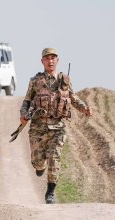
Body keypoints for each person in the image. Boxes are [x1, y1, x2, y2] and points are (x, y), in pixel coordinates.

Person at [19, 48, 92, 204]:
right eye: (47, 58)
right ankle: (40, 166)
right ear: (42, 61)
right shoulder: (35, 81)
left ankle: (50, 192)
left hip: (58, 126)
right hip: (38, 127)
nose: (50, 61)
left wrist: (84, 108)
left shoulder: (64, 80)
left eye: (53, 58)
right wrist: (23, 114)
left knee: (55, 158)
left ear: (57, 60)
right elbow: (27, 100)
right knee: (37, 161)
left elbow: (72, 97)